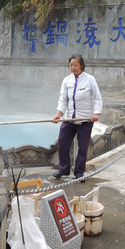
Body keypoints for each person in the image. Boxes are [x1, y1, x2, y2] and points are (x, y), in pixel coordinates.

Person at [52, 54, 102, 182]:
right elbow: (63, 99)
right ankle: (63, 169)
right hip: (69, 119)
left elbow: (97, 97)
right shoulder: (66, 80)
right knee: (62, 143)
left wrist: (96, 113)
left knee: (83, 148)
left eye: (75, 65)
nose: (73, 68)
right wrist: (59, 113)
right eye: (71, 65)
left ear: (82, 66)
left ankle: (79, 172)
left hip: (85, 120)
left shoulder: (90, 79)